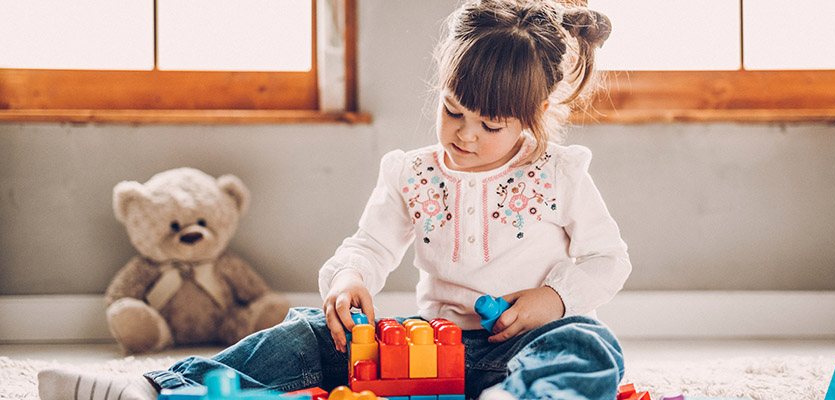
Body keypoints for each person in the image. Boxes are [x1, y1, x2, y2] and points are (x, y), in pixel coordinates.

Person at [38, 0, 629, 399]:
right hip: (432, 347)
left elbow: (609, 262)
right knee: (307, 332)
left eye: (491, 123)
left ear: (536, 116)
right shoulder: (411, 173)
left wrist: (555, 297)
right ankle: (162, 389)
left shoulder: (561, 174)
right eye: (453, 110)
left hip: (527, 344)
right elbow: (369, 245)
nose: (465, 134)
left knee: (590, 344)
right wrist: (349, 280)